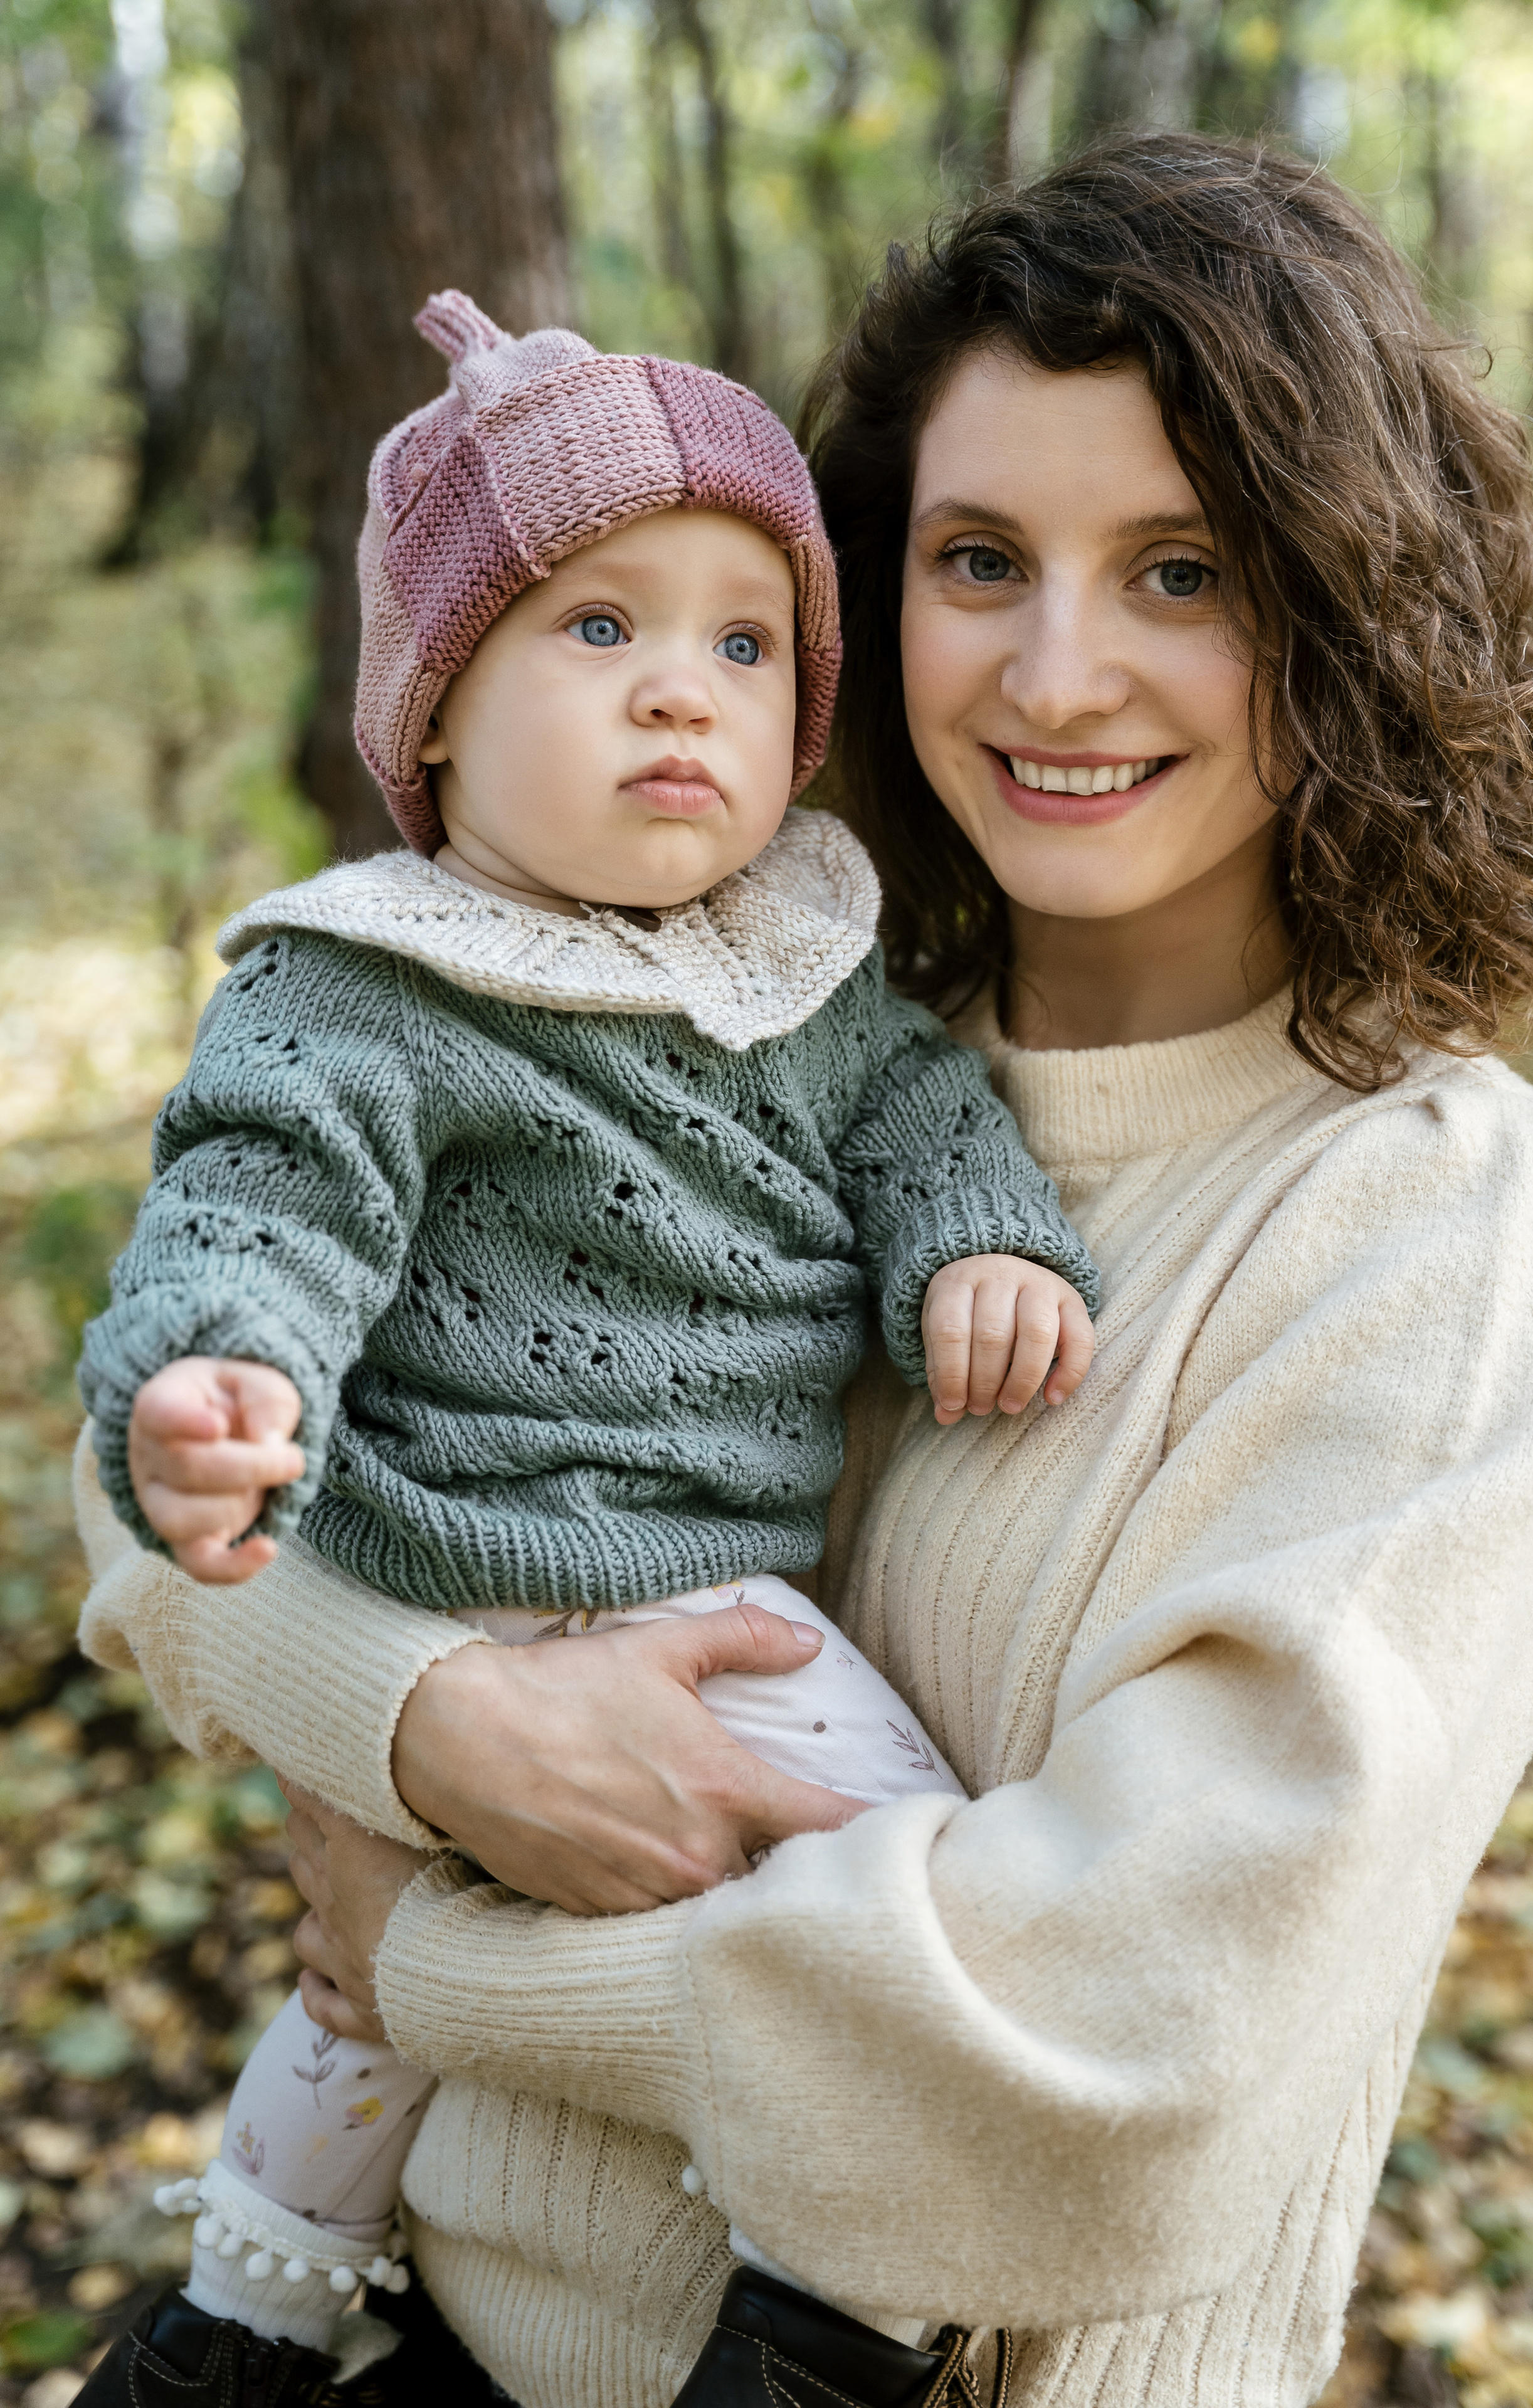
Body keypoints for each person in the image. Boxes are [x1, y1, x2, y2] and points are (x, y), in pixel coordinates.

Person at [76, 132, 1533, 2408]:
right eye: (979, 558)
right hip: (431, 2338)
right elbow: (149, 1496)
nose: (1059, 672)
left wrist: (441, 1962)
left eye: (1182, 570)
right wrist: (433, 1717)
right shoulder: (721, 1020)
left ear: (1349, 606)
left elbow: (1131, 2046)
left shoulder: (1443, 1229)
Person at [71, 294, 1096, 2407]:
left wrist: (983, 1251)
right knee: (904, 1911)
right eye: (599, 630)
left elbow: (923, 1118)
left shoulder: (805, 974)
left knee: (843, 1954)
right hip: (451, 1588)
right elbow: (259, 1197)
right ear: (433, 710)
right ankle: (243, 2325)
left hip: (716, 1610)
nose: (684, 701)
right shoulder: (367, 983)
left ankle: (804, 2329)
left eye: (744, 647)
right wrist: (216, 1377)